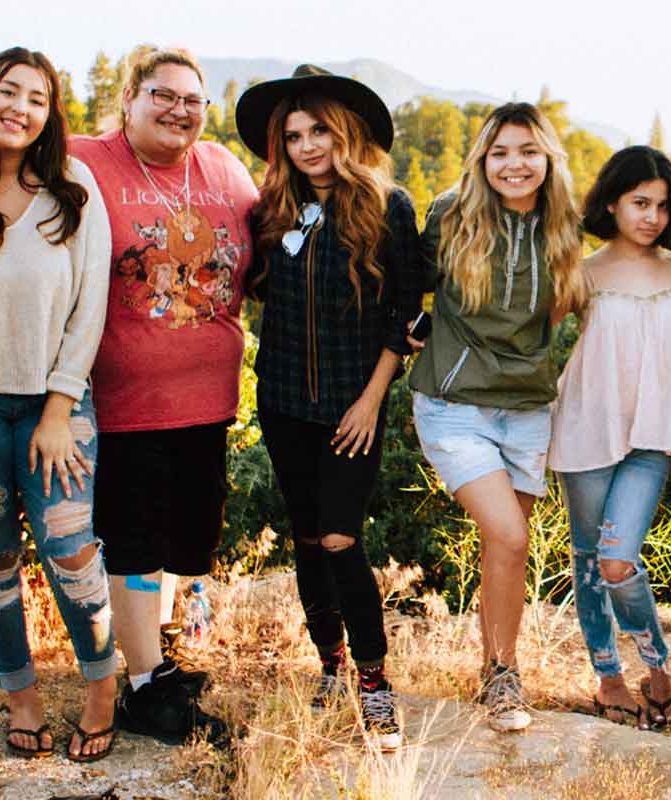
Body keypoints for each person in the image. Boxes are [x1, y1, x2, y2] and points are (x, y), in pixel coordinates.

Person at [68, 45, 256, 745]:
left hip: (210, 399)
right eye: (163, 94)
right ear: (129, 98)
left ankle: (160, 663)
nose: (179, 110)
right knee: (135, 539)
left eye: (192, 100)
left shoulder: (226, 171)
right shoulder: (86, 158)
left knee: (184, 539)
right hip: (126, 399)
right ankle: (145, 685)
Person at [235, 64, 424, 751]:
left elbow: (406, 314)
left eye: (319, 130)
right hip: (283, 402)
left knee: (343, 537)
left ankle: (374, 683)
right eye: (293, 135)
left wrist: (373, 398)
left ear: (345, 133)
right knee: (309, 540)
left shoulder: (387, 205)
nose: (308, 145)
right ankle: (329, 664)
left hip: (354, 407)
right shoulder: (271, 210)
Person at [0, 47, 116, 762]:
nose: (19, 107)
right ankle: (21, 697)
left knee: (70, 552)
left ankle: (102, 690)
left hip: (57, 405)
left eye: (37, 97)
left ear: (51, 113)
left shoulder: (73, 187)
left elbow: (89, 309)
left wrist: (56, 411)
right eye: (7, 91)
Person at [408, 102, 586, 732]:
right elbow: (408, 287)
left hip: (528, 408)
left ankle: (500, 673)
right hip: (455, 405)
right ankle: (501, 672)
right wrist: (412, 331)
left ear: (547, 159)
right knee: (511, 534)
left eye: (528, 152)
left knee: (503, 549)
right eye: (501, 152)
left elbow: (560, 310)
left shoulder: (563, 225)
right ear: (483, 157)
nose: (515, 165)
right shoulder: (452, 215)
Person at [549, 145, 671, 729]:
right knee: (590, 562)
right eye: (640, 203)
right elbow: (523, 337)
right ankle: (608, 679)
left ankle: (658, 669)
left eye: (662, 205)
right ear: (612, 203)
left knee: (617, 561)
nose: (652, 217)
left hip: (651, 439)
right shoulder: (582, 273)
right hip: (585, 429)